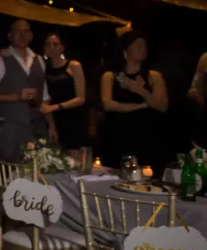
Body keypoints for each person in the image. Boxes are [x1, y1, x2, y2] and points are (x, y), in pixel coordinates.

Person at [0, 19, 56, 161]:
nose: (22, 35)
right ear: (9, 35)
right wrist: (15, 96)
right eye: (17, 31)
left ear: (31, 35)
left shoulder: (39, 60)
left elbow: (45, 97)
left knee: (38, 175)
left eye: (26, 31)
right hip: (10, 128)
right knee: (10, 174)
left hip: (37, 128)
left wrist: (51, 125)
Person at [100, 30, 169, 169]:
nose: (143, 49)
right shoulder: (110, 76)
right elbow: (108, 105)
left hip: (145, 137)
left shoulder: (153, 76)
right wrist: (141, 106)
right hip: (117, 136)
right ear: (125, 49)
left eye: (145, 46)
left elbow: (162, 106)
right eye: (138, 45)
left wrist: (141, 90)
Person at [40, 33, 87, 154]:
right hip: (53, 119)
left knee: (74, 159)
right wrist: (50, 121)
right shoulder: (42, 68)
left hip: (72, 117)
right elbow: (45, 99)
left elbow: (81, 98)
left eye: (55, 44)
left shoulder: (73, 65)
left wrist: (55, 107)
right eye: (48, 45)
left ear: (62, 47)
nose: (52, 47)